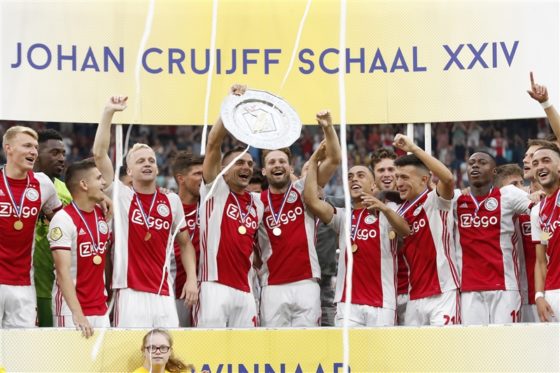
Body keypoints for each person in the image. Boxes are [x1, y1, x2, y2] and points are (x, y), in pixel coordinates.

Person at [93, 96, 198, 328]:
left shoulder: (171, 201)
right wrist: (108, 113)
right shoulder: (121, 195)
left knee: (167, 353)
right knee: (130, 353)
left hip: (163, 291)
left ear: (158, 167)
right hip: (129, 291)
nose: (147, 163)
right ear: (129, 170)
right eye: (140, 161)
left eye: (151, 160)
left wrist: (192, 278)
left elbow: (185, 243)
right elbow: (99, 155)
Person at [304, 145, 409, 326]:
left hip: (382, 303)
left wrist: (382, 207)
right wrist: (314, 161)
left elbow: (406, 231)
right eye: (350, 176)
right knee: (350, 354)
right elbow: (312, 201)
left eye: (361, 176)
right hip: (348, 304)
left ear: (373, 185)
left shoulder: (388, 211)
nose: (354, 179)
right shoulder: (343, 216)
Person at [257, 110, 341, 327]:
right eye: (272, 162)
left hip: (306, 282)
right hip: (272, 285)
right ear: (264, 171)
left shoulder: (304, 191)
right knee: (274, 349)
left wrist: (328, 127)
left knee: (307, 346)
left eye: (282, 161)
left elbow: (333, 159)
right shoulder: (255, 201)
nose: (277, 165)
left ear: (290, 168)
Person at [195, 84, 264, 328]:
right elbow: (213, 144)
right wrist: (230, 104)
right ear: (223, 171)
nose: (246, 167)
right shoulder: (215, 189)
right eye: (238, 163)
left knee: (245, 356)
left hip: (245, 291)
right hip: (214, 285)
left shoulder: (257, 204)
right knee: (208, 353)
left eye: (249, 163)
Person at [454, 152, 530, 324]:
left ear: (494, 172)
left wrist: (535, 196)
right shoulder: (457, 199)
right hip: (469, 289)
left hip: (505, 287)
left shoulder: (509, 195)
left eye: (482, 162)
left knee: (506, 345)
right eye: (471, 163)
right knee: (475, 346)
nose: (475, 166)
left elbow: (540, 208)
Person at [392, 134, 460, 326]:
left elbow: (447, 178)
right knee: (416, 353)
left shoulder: (436, 200)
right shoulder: (399, 212)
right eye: (397, 177)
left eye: (404, 177)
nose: (399, 183)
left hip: (443, 292)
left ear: (424, 179)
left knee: (444, 350)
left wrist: (414, 148)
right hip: (415, 295)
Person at [0, 126, 62, 327]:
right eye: (27, 146)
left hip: (24, 285)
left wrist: (101, 199)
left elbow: (62, 222)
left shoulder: (43, 184)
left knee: (21, 351)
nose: (33, 152)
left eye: (35, 147)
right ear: (8, 148)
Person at [48, 159, 110, 338]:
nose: (104, 182)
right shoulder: (63, 219)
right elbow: (62, 272)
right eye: (99, 178)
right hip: (71, 309)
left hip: (100, 308)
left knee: (100, 365)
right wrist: (77, 312)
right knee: (69, 365)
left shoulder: (103, 214)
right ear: (84, 184)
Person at [33, 129, 73, 327]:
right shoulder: (11, 188)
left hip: (52, 288)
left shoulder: (67, 192)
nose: (62, 158)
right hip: (18, 282)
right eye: (55, 152)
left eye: (63, 153)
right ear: (35, 152)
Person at [495, 163, 539, 322]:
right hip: (514, 294)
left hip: (544, 293)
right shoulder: (500, 220)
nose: (521, 188)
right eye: (514, 184)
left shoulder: (534, 210)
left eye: (522, 183)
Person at [370, 147, 409, 325]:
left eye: (391, 169)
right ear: (373, 175)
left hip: (409, 290)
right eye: (381, 170)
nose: (386, 174)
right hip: (379, 294)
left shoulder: (411, 202)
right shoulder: (362, 206)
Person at [170, 152, 203, 327]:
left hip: (205, 291)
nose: (203, 179)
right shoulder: (166, 206)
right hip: (175, 290)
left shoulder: (209, 206)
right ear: (181, 178)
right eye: (197, 174)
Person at [530, 143, 560, 322]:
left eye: (546, 160)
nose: (540, 166)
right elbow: (541, 260)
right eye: (535, 163)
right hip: (553, 293)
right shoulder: (537, 212)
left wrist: (548, 112)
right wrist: (539, 296)